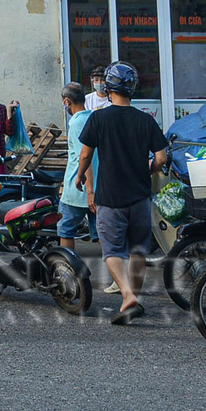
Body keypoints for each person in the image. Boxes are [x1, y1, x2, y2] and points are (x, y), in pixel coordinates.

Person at [75, 61, 169, 325]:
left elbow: (86, 153)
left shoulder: (99, 117)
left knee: (113, 250)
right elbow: (161, 158)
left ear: (108, 86)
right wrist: (147, 171)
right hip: (140, 196)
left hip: (111, 197)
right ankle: (134, 299)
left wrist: (80, 175)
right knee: (138, 250)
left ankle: (128, 296)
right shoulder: (145, 120)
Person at [57, 83, 94, 243]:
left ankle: (67, 267)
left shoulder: (78, 124)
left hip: (78, 189)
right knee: (102, 234)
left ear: (66, 101)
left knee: (66, 230)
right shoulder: (93, 118)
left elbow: (85, 158)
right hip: (99, 187)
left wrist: (90, 191)